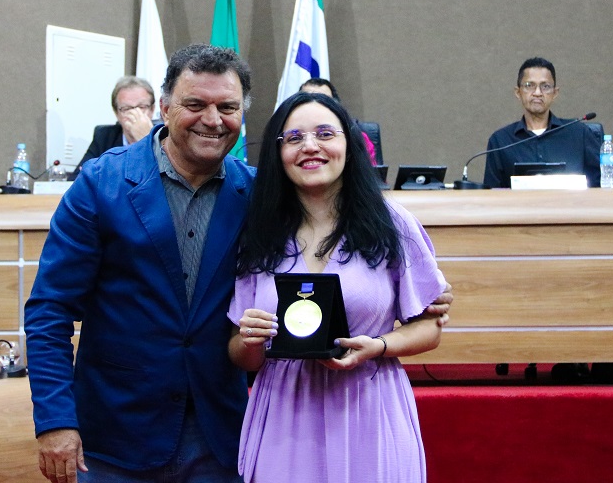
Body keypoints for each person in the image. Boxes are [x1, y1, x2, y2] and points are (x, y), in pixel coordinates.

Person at [25, 44, 453, 483]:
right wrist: (56, 420)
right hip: (117, 433)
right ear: (165, 108)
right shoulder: (101, 184)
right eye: (195, 104)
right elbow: (49, 310)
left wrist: (424, 293)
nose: (212, 119)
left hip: (219, 436)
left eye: (227, 107)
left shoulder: (260, 198)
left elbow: (340, 241)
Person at [227, 91, 448, 482]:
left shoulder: (392, 223)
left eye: (325, 134)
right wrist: (249, 341)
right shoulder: (258, 232)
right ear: (279, 153)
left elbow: (430, 327)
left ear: (349, 143)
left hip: (368, 405)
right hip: (284, 414)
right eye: (294, 138)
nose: (310, 146)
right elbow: (242, 355)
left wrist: (378, 346)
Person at [484, 57, 613, 188]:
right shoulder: (500, 141)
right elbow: (489, 197)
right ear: (518, 92)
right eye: (529, 85)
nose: (537, 93)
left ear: (555, 93)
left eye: (545, 86)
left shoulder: (579, 134)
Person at [69, 76, 157, 179]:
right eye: (126, 108)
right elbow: (77, 178)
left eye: (142, 107)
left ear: (152, 110)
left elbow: (166, 182)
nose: (134, 114)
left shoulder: (165, 137)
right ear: (116, 113)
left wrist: (147, 141)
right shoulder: (104, 136)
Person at [299, 78, 382, 166]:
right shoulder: (291, 135)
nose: (315, 105)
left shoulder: (358, 138)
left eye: (323, 101)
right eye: (307, 101)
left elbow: (370, 172)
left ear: (336, 105)